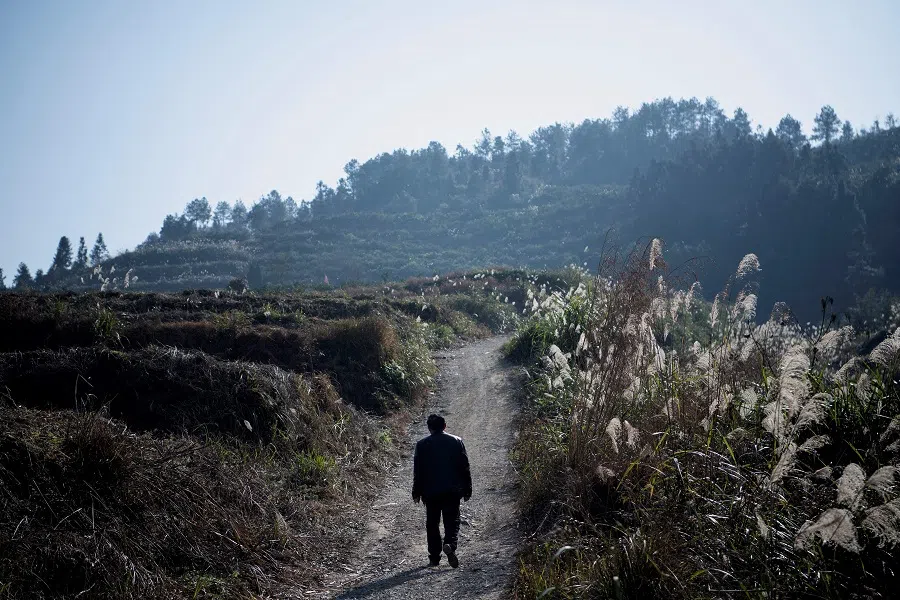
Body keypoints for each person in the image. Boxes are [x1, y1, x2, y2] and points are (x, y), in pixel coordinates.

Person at [412, 414, 472, 568]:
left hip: (430, 493)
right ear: (444, 426)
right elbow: (464, 467)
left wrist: (416, 491)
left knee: (432, 524)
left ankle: (434, 558)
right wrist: (467, 488)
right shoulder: (456, 441)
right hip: (452, 491)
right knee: (452, 521)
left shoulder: (421, 445)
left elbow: (418, 471)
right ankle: (450, 545)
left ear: (429, 428)